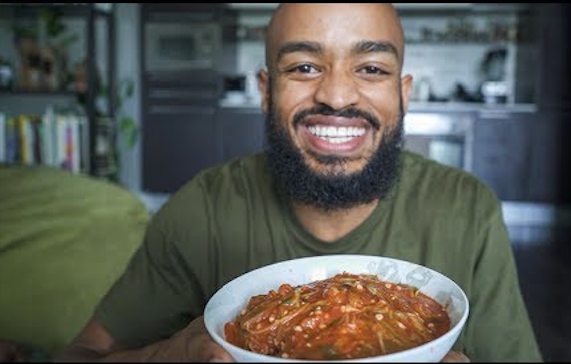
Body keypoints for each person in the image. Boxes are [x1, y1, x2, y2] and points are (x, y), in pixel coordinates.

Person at [57, 3, 541, 362]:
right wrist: (171, 355)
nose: (335, 95)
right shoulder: (200, 209)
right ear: (266, 92)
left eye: (371, 69)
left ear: (403, 93)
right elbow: (81, 354)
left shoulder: (468, 209)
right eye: (305, 67)